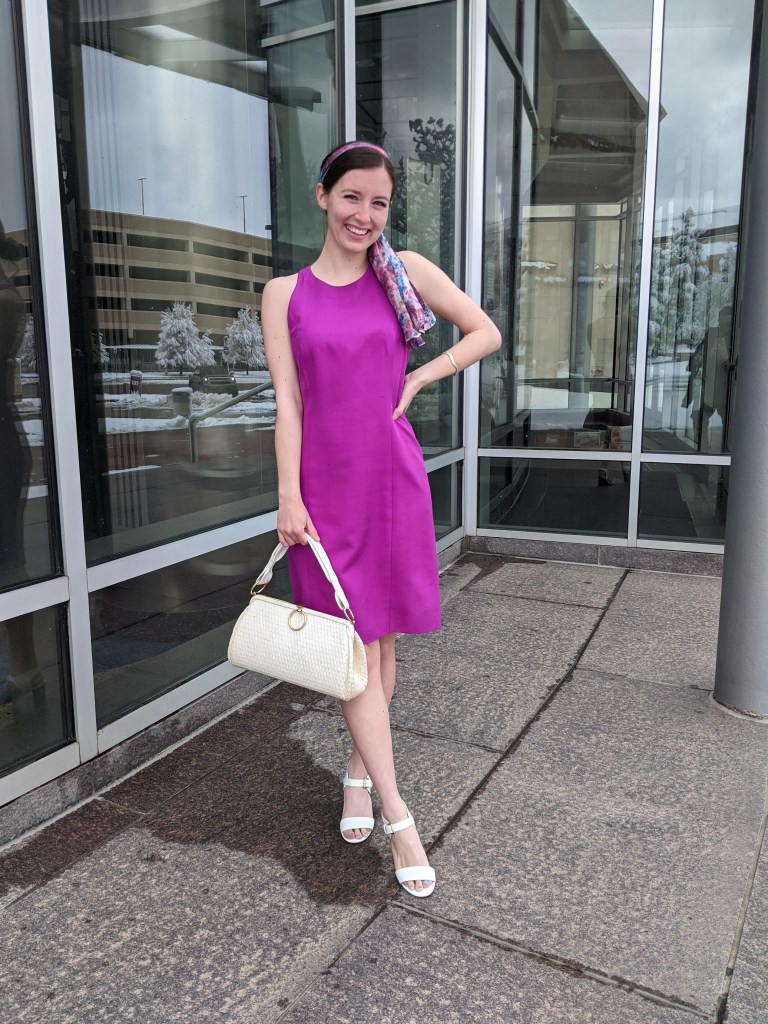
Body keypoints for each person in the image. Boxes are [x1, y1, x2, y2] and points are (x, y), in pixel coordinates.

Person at [262, 141, 500, 897]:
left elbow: (485, 331)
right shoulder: (284, 294)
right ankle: (400, 815)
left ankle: (360, 776)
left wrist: (426, 373)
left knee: (383, 644)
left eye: (379, 203)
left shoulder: (406, 273)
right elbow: (289, 403)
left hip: (391, 482)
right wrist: (288, 496)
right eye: (352, 197)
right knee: (353, 654)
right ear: (322, 195)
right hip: (323, 495)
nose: (364, 215)